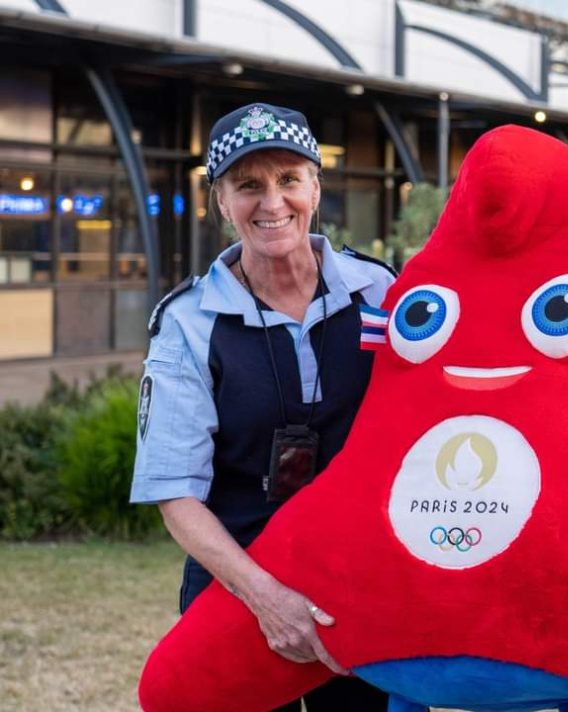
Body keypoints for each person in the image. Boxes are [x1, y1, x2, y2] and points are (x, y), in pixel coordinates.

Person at [130, 102, 393, 711]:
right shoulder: (188, 324)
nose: (272, 203)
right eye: (248, 186)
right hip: (236, 577)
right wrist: (266, 596)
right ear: (221, 201)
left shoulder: (381, 292)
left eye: (288, 180)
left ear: (315, 187)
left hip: (359, 580)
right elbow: (176, 492)